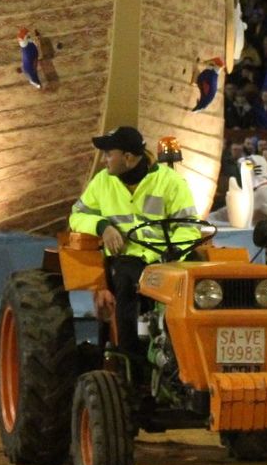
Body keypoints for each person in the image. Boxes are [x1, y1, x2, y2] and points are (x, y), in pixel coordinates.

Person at [68, 125, 198, 356]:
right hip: (124, 259)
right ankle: (128, 361)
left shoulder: (171, 182)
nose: (104, 160)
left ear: (127, 158)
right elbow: (77, 215)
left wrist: (175, 251)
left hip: (166, 259)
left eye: (109, 154)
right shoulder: (102, 182)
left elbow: (189, 227)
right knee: (127, 281)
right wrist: (102, 226)